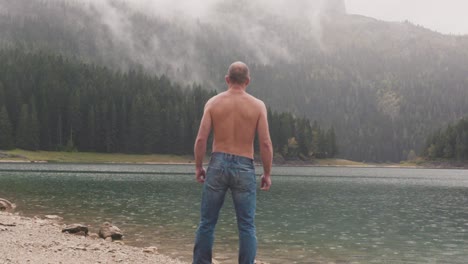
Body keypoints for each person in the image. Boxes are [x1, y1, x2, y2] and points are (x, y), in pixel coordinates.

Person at [193, 61, 273, 264]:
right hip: (245, 166)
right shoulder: (257, 106)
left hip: (218, 164)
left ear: (227, 79)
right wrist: (267, 173)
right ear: (248, 81)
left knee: (207, 223)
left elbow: (201, 139)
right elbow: (265, 143)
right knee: (246, 225)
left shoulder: (213, 103)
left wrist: (198, 167)